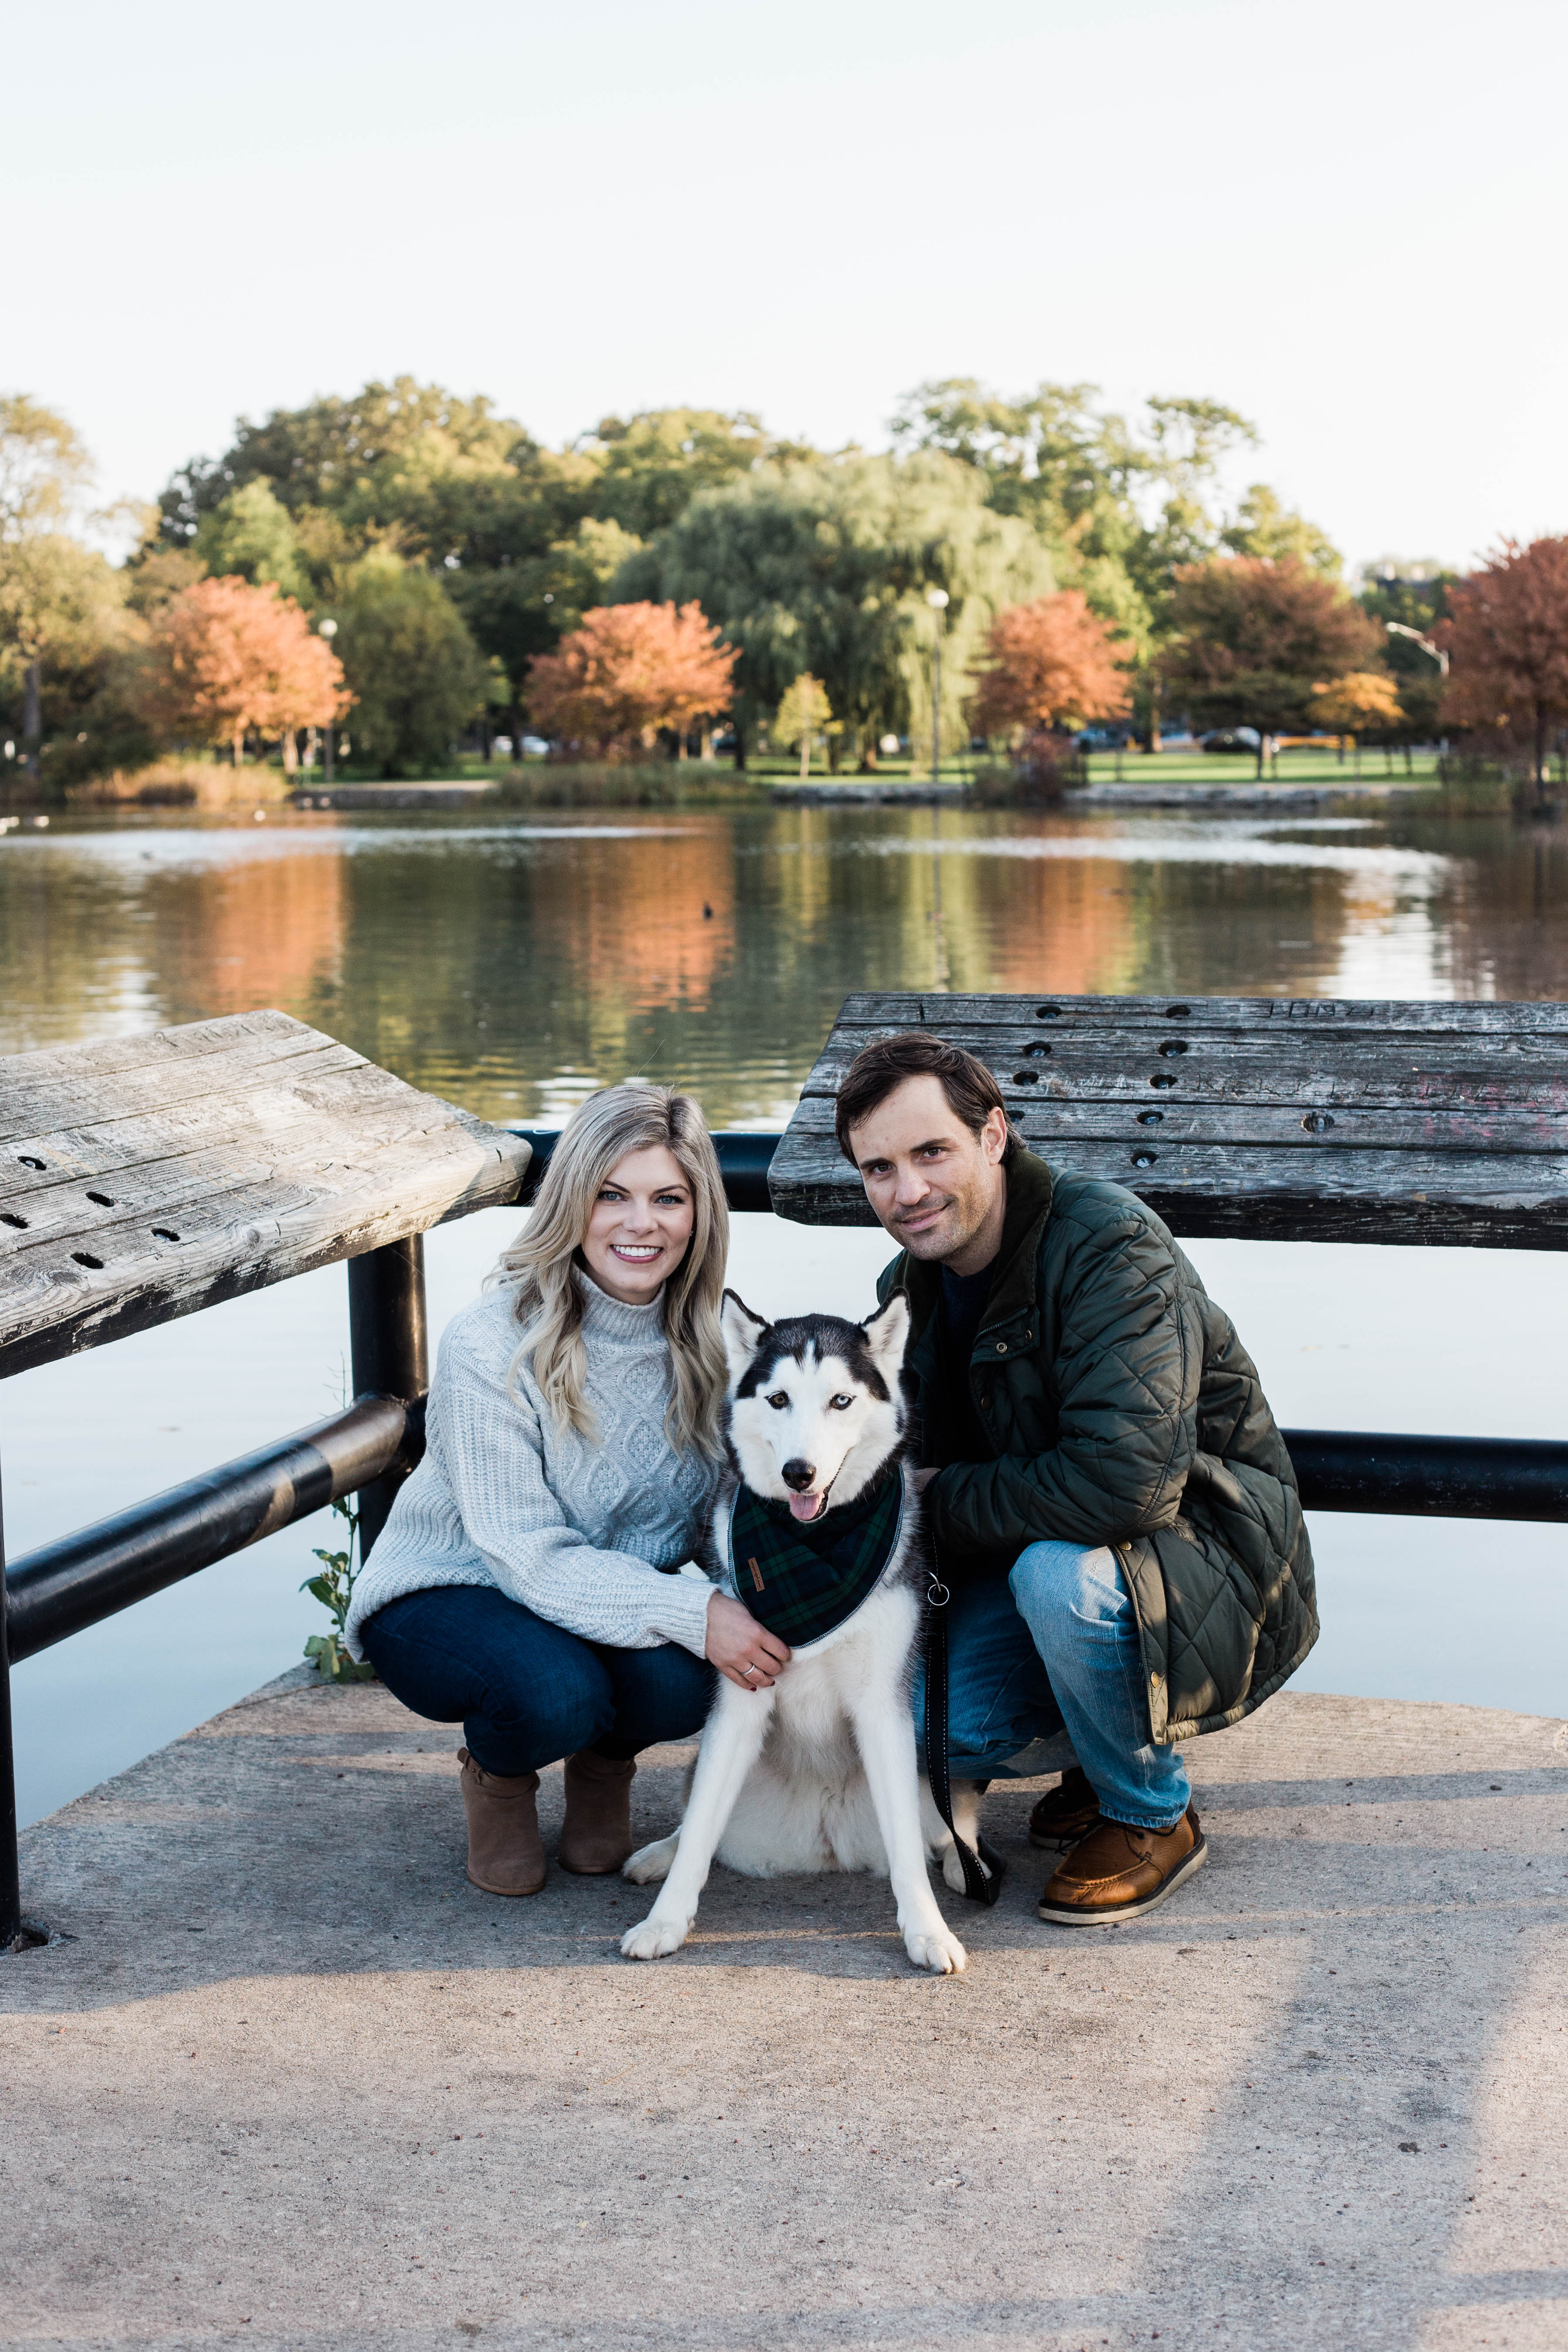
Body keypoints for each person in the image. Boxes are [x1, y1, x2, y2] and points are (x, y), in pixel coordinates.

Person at [835, 1031, 1317, 1926]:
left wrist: (933, 1497)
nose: (906, 1192)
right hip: (1049, 1549)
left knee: (1053, 1576)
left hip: (1203, 1555)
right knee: (920, 1733)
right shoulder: (910, 1283)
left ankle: (1148, 1811)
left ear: (992, 1136)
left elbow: (1124, 1489)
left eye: (930, 1150)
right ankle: (1093, 1762)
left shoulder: (1109, 1247)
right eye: (878, 1169)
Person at [346, 1084, 789, 1896]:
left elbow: (724, 1528)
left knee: (690, 1679)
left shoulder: (715, 1349)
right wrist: (695, 1611)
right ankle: (499, 1776)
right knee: (552, 1690)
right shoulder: (491, 1340)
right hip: (458, 1585)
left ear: (699, 1213)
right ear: (571, 1200)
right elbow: (522, 1554)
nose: (639, 1223)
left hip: (596, 1590)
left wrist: (759, 1599)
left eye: (668, 1198)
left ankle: (603, 1766)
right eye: (610, 1195)